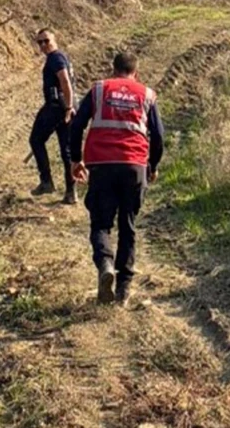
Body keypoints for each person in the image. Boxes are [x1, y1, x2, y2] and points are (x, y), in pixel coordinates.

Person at [67, 52, 165, 306]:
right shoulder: (146, 94)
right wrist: (152, 166)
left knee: (100, 223)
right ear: (136, 72)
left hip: (101, 165)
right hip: (134, 166)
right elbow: (159, 136)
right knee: (128, 225)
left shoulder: (100, 89)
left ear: (114, 70)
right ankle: (123, 289)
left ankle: (105, 265)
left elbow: (76, 125)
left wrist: (76, 160)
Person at [30, 28, 78, 204]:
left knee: (35, 139)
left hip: (57, 107)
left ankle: (46, 181)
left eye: (46, 41)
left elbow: (65, 81)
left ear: (54, 39)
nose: (43, 45)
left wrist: (69, 106)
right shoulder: (62, 56)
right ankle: (71, 193)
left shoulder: (56, 58)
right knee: (66, 152)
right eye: (39, 42)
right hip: (64, 107)